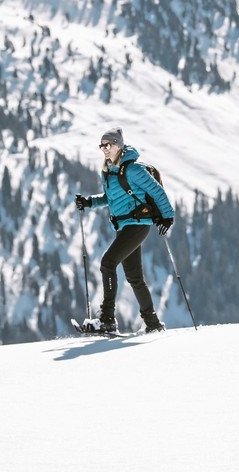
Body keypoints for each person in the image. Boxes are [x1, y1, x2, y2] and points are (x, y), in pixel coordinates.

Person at [74, 127, 175, 333]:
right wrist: (89, 202)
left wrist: (168, 216)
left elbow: (157, 191)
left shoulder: (133, 169)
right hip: (124, 227)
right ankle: (153, 324)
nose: (104, 149)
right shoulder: (109, 171)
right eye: (101, 145)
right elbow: (109, 198)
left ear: (118, 145)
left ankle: (107, 319)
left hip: (137, 225)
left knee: (108, 263)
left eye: (108, 144)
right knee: (134, 277)